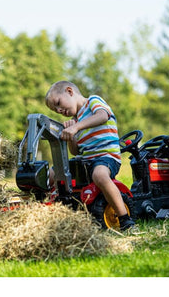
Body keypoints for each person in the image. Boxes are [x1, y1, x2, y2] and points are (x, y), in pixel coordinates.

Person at [45, 80, 136, 231]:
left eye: (59, 103)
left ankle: (125, 219)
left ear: (69, 91)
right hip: (85, 160)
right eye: (56, 110)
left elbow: (103, 116)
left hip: (106, 157)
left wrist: (76, 127)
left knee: (99, 175)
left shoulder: (93, 101)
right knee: (54, 172)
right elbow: (75, 151)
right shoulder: (75, 121)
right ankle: (45, 207)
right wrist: (71, 136)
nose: (59, 110)